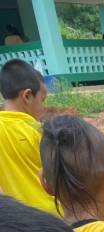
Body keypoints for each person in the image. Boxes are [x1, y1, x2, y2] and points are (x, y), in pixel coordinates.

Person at [0, 58, 57, 215]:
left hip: (18, 224)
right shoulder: (39, 132)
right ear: (27, 96)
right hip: (53, 218)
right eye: (42, 100)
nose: (43, 107)